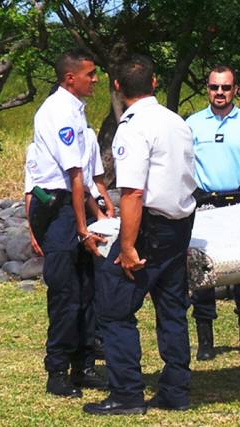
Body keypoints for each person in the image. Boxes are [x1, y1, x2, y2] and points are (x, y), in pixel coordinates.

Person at [83, 54, 196, 415]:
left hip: (150, 228)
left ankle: (127, 393)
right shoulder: (176, 121)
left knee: (114, 309)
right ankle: (176, 390)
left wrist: (128, 246)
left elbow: (132, 193)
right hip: (180, 223)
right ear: (155, 82)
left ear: (117, 86)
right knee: (172, 308)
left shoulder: (132, 127)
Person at [27, 49, 107, 399]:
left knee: (88, 288)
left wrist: (97, 214)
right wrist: (81, 227)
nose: (96, 79)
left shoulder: (77, 111)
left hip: (74, 204)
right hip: (58, 207)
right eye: (90, 74)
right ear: (71, 78)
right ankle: (57, 369)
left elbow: (86, 180)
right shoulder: (58, 111)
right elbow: (74, 176)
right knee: (65, 292)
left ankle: (84, 365)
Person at [186, 64, 240, 360]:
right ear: (207, 89)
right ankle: (205, 342)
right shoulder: (193, 123)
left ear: (235, 89)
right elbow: (184, 165)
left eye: (225, 87)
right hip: (205, 203)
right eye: (214, 87)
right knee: (202, 273)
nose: (219, 92)